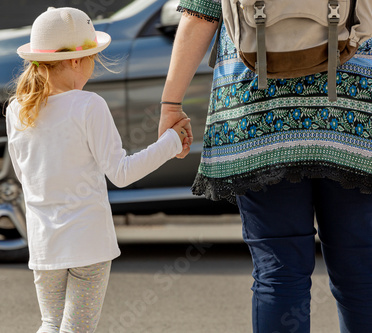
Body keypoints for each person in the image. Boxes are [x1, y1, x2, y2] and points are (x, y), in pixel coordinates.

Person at [159, 1, 372, 332]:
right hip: (353, 115)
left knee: (280, 272)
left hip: (259, 120)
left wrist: (171, 104)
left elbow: (200, 14)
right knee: (362, 270)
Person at [5, 7, 189, 333]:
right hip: (88, 245)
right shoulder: (89, 105)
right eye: (92, 56)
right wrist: (171, 142)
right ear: (76, 60)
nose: (94, 65)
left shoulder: (17, 110)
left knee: (50, 323)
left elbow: (24, 176)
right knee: (77, 329)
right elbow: (121, 172)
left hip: (44, 245)